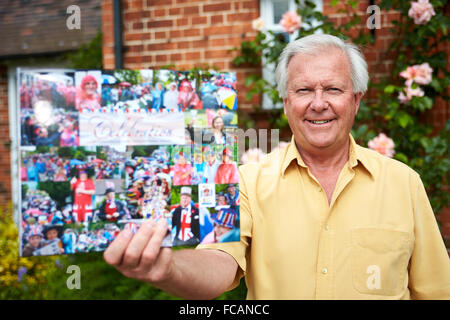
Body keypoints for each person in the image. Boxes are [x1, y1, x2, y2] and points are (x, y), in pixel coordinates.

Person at [104, 34, 450, 299]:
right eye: (303, 90)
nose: (318, 104)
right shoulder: (247, 182)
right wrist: (168, 267)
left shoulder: (404, 183)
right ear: (286, 102)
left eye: (332, 89)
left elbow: (436, 292)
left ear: (356, 99)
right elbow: (219, 264)